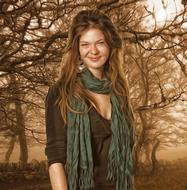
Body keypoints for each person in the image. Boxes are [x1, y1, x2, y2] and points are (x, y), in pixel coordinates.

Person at [45, 9, 135, 190]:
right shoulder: (60, 92)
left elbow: (126, 157)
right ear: (77, 49)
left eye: (100, 43)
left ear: (110, 45)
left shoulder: (119, 92)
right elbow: (56, 161)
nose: (93, 51)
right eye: (85, 44)